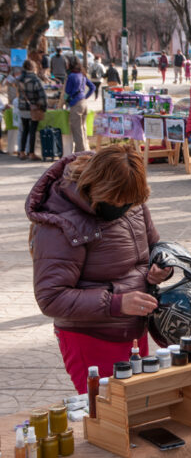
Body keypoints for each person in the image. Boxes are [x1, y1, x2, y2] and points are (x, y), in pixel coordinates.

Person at [26, 145, 173, 394]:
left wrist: (162, 268)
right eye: (117, 202)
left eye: (129, 203)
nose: (123, 207)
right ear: (99, 189)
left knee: (137, 406)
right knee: (105, 411)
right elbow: (51, 298)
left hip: (134, 330)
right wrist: (116, 303)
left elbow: (155, 249)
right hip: (91, 338)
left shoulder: (133, 201)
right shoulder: (61, 223)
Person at [17, 60, 46, 161]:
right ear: (33, 68)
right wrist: (43, 107)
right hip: (34, 108)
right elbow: (42, 95)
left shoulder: (20, 79)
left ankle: (21, 152)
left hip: (22, 107)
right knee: (32, 131)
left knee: (25, 130)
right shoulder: (35, 80)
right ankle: (31, 153)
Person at [65, 58, 95, 153]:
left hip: (76, 104)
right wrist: (85, 96)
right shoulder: (82, 75)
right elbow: (92, 87)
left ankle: (80, 152)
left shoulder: (71, 76)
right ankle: (86, 148)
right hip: (84, 102)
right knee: (83, 128)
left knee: (77, 130)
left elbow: (67, 91)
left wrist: (65, 101)